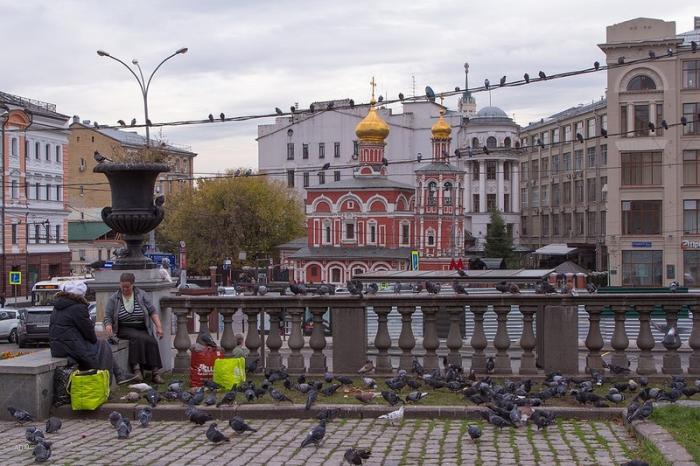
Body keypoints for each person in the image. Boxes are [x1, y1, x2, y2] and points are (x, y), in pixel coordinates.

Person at [49, 280, 136, 385]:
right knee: (104, 346)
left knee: (102, 345)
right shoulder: (78, 307)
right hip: (70, 348)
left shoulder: (58, 306)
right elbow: (90, 335)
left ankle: (119, 375)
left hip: (57, 348)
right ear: (81, 295)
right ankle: (108, 383)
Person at [104, 272, 165, 384]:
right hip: (124, 327)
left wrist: (159, 327)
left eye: (127, 286)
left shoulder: (141, 295)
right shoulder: (114, 298)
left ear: (133, 284)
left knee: (151, 341)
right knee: (136, 337)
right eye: (123, 286)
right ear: (120, 284)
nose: (125, 289)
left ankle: (155, 372)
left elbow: (152, 311)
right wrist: (108, 326)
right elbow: (107, 316)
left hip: (141, 327)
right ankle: (136, 370)